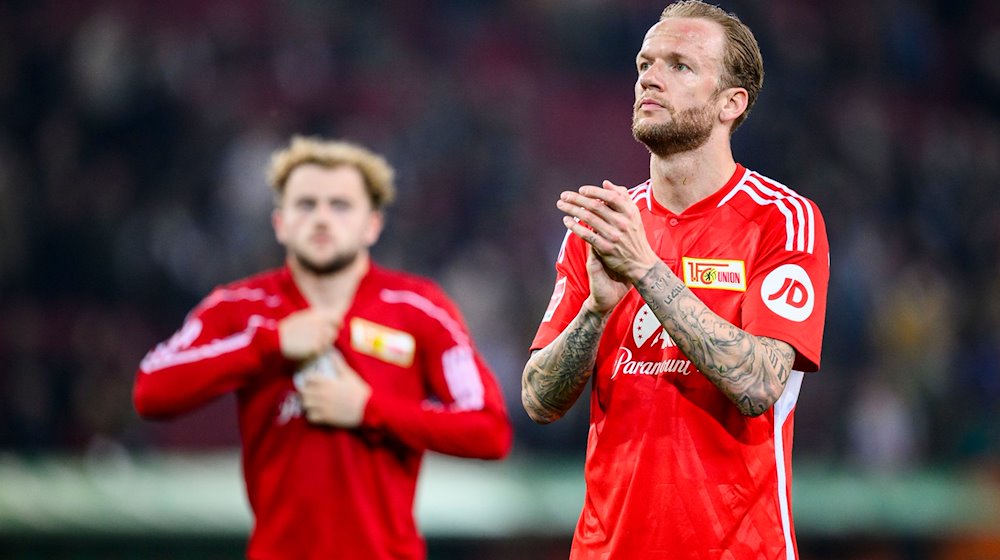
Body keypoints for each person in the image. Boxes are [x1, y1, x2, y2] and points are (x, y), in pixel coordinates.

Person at [522, 1, 829, 558]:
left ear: (730, 103)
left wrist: (646, 270)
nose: (651, 78)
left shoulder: (782, 219)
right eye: (645, 64)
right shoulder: (605, 227)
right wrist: (595, 311)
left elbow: (760, 385)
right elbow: (538, 399)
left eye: (680, 66)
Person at [133, 136, 513, 560]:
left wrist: (368, 409)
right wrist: (270, 344)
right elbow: (150, 390)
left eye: (340, 205)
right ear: (280, 222)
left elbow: (489, 429)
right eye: (306, 204)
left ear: (373, 224)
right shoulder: (239, 309)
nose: (321, 218)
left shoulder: (419, 308)